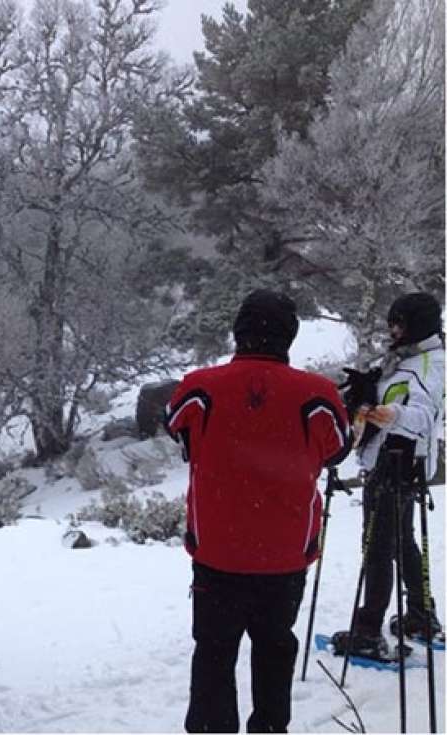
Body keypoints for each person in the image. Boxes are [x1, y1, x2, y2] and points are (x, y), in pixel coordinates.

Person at [164, 290, 352, 733]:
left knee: (213, 651)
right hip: (286, 554)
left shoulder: (199, 386)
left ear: (238, 331)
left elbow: (175, 425)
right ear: (290, 335)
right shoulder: (319, 395)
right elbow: (338, 451)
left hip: (217, 551)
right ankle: (269, 727)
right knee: (274, 649)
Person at [331, 292, 445, 658]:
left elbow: (424, 417)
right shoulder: (409, 357)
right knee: (400, 541)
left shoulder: (430, 363)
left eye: (399, 324)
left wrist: (386, 413)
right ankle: (420, 615)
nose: (392, 330)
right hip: (392, 463)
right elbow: (395, 392)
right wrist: (368, 387)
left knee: (378, 547)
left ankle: (368, 630)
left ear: (417, 326)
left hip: (398, 466)